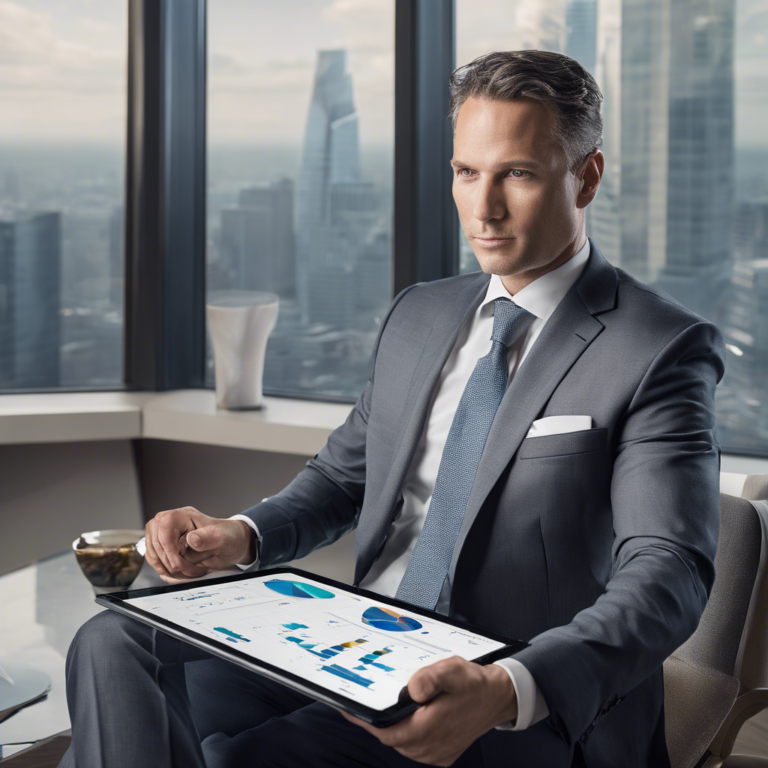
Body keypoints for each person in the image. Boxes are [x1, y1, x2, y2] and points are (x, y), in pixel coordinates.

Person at [59, 50, 725, 768]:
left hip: (503, 691)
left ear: (585, 176)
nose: (485, 206)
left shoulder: (659, 348)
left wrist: (508, 686)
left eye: (519, 174)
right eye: (467, 173)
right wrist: (239, 534)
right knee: (114, 639)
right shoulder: (420, 314)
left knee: (202, 755)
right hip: (353, 645)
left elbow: (668, 572)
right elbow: (342, 480)